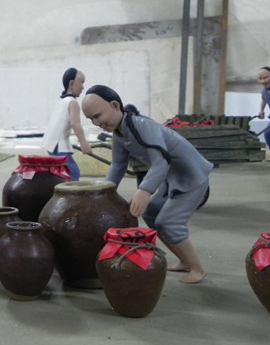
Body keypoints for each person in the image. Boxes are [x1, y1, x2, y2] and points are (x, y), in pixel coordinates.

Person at [81, 85, 211, 284]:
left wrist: (145, 191)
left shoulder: (141, 125)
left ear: (115, 105)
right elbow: (118, 165)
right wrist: (104, 193)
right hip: (171, 178)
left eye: (98, 116)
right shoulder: (119, 134)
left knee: (169, 222)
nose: (96, 123)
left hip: (191, 177)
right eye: (91, 119)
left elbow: (162, 161)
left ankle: (197, 269)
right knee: (152, 214)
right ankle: (184, 260)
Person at [41, 67, 92, 180]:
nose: (83, 87)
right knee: (72, 172)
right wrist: (84, 143)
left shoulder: (61, 100)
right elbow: (75, 124)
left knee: (60, 170)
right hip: (59, 145)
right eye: (81, 83)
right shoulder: (72, 103)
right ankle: (70, 194)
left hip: (51, 143)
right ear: (72, 83)